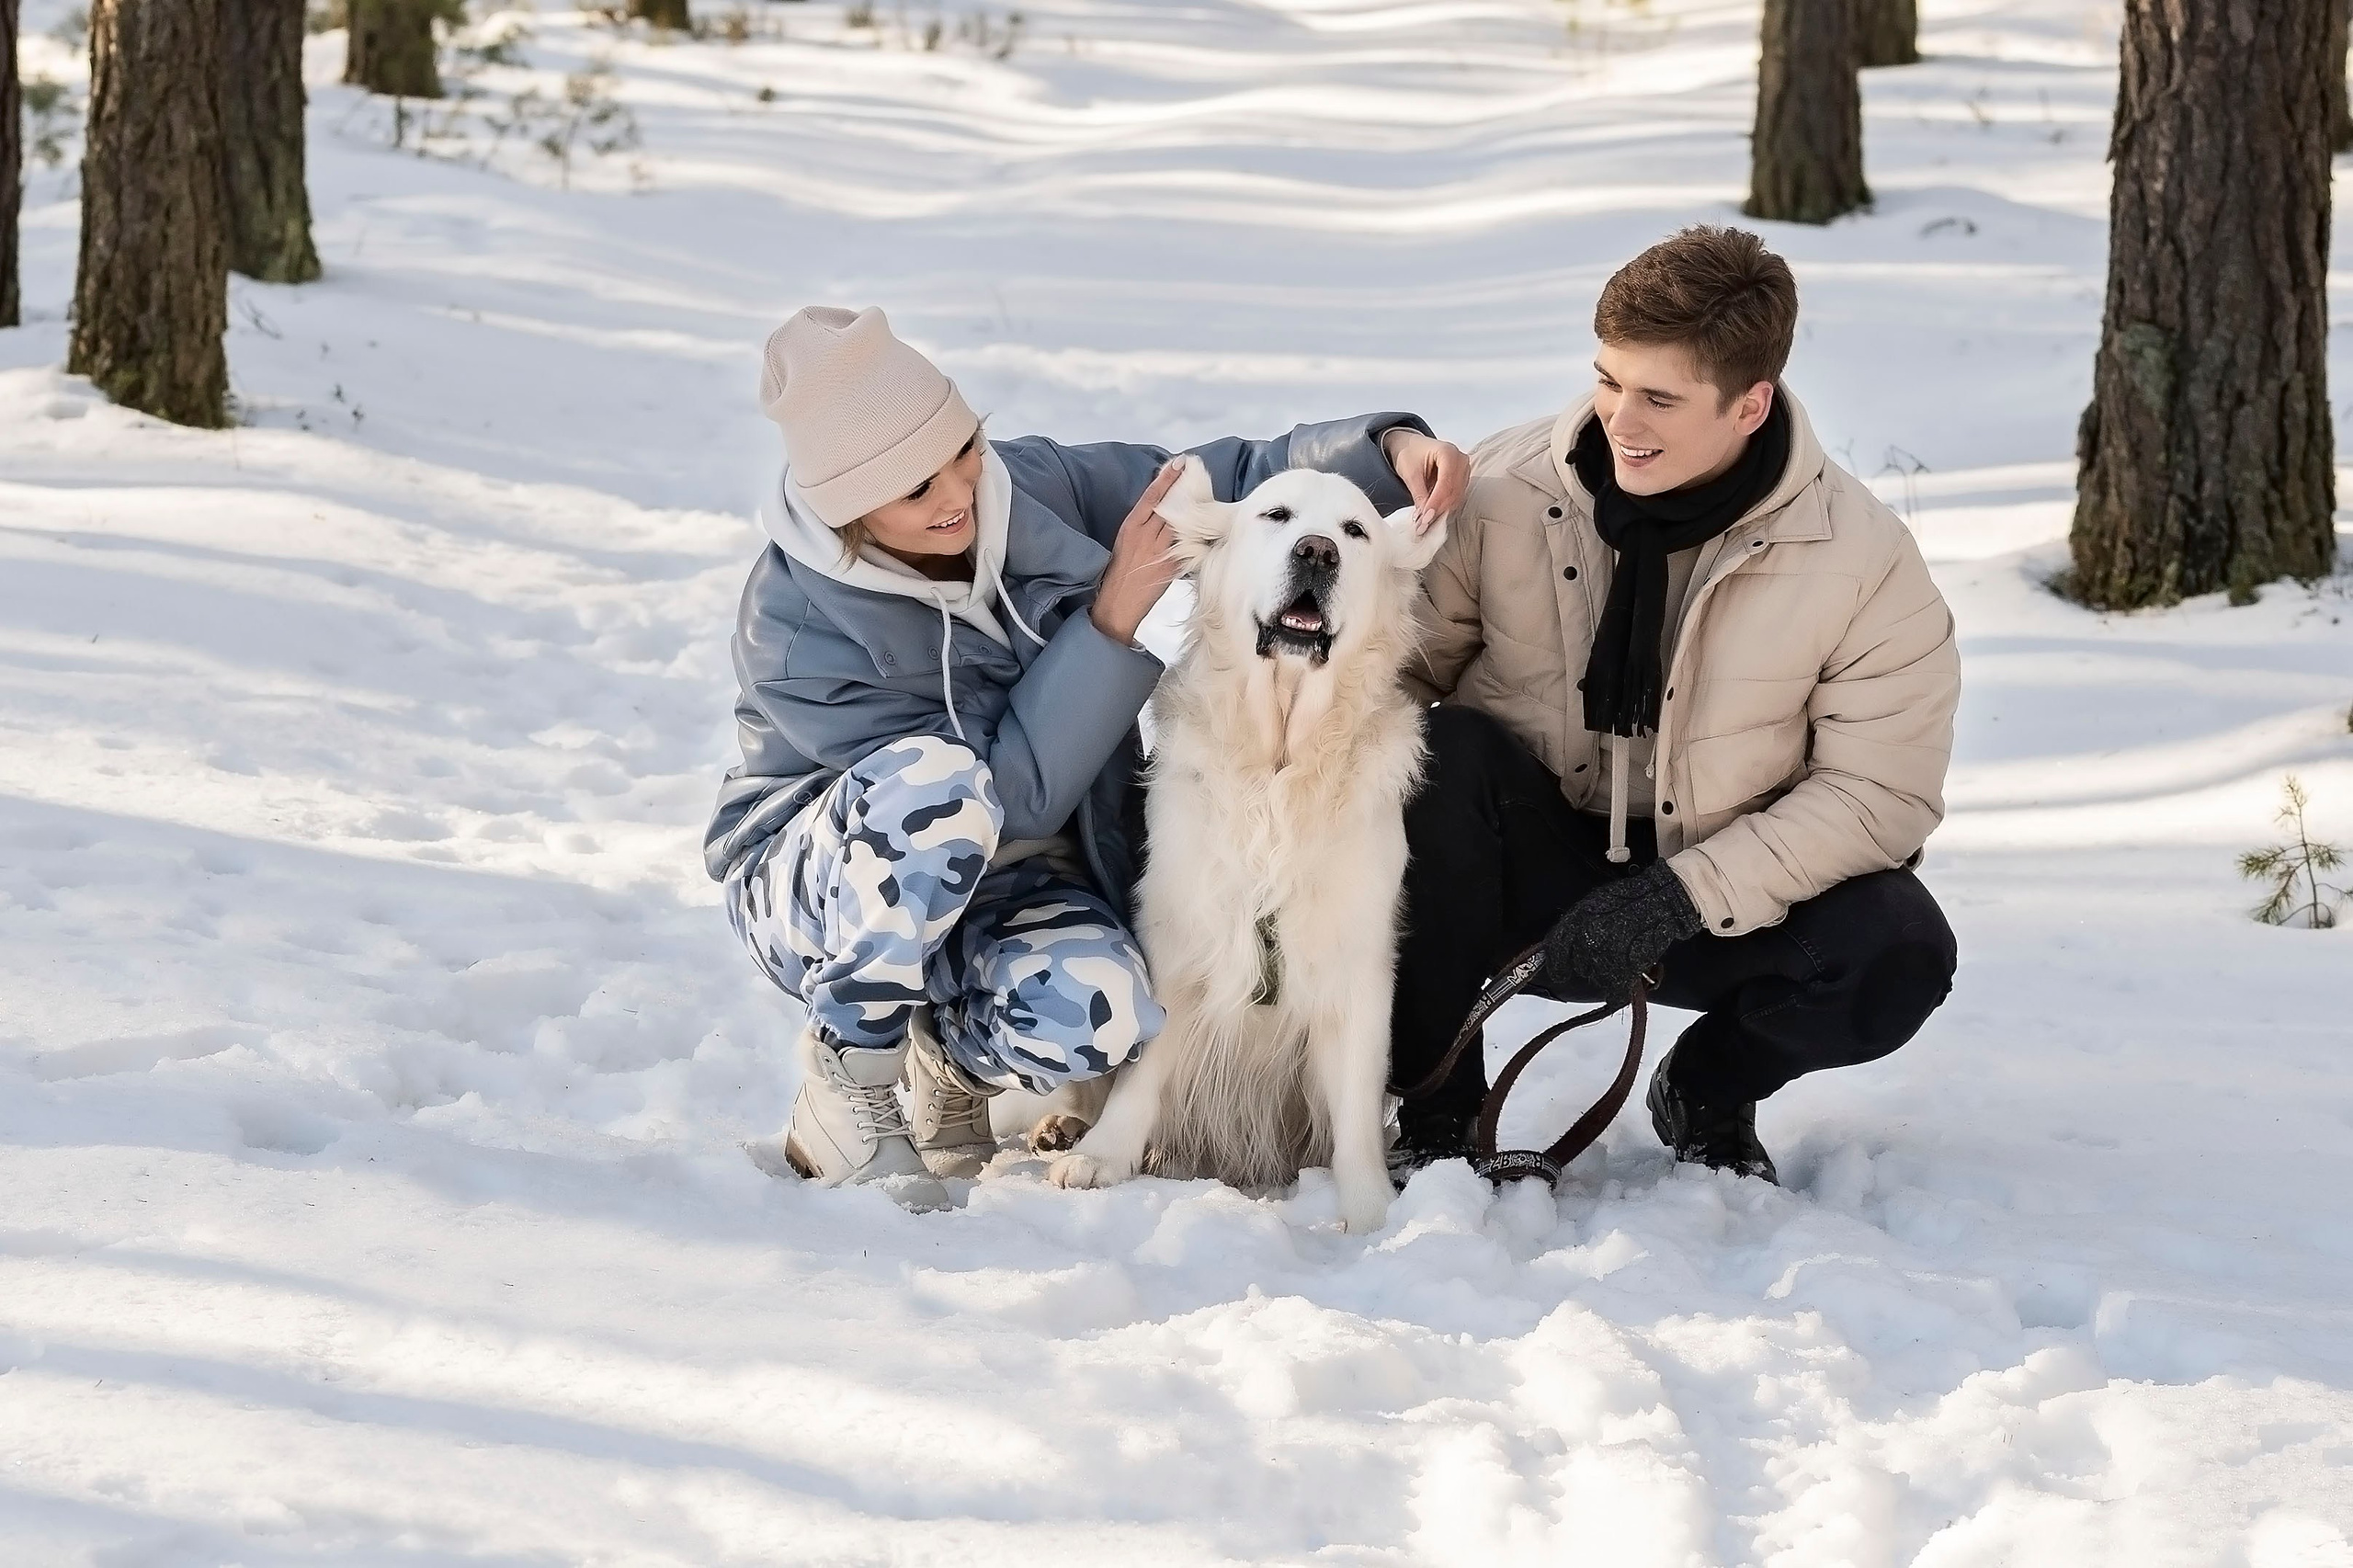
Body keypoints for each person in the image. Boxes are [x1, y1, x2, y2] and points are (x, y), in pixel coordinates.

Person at [707, 305, 1467, 1210]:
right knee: (936, 789)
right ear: (846, 507)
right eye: (915, 490)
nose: (958, 494)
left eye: (965, 453)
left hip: (1010, 878)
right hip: (827, 882)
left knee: (1101, 1011)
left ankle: (947, 1059)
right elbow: (996, 804)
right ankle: (850, 1075)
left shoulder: (1027, 487)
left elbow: (1222, 482)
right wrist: (1109, 621)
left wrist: (1386, 449)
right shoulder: (796, 624)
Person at [1390, 227, 1961, 1184]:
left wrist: (1677, 896)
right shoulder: (1504, 492)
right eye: (1608, 381)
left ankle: (1707, 1087)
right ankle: (1435, 1106)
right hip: (1514, 868)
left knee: (1896, 950)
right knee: (1426, 754)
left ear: (1749, 404)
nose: (1619, 418)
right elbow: (1388, 679)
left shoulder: (1862, 559)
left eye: (1658, 397)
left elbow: (1877, 796)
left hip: (1716, 890)